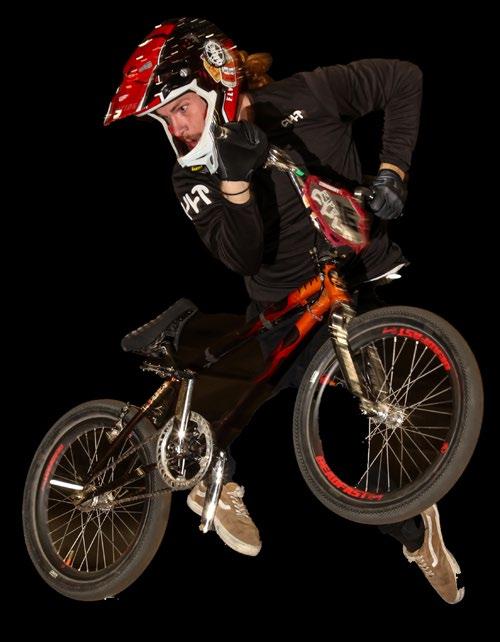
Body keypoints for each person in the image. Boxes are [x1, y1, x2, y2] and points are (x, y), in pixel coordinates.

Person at [105, 17, 463, 604]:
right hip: (285, 302)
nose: (175, 128)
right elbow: (241, 255)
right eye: (164, 120)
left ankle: (415, 529)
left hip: (358, 274)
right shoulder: (191, 175)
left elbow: (405, 79)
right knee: (252, 386)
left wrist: (393, 170)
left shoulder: (307, 95)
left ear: (217, 87)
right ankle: (210, 477)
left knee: (399, 416)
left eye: (179, 110)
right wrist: (235, 184)